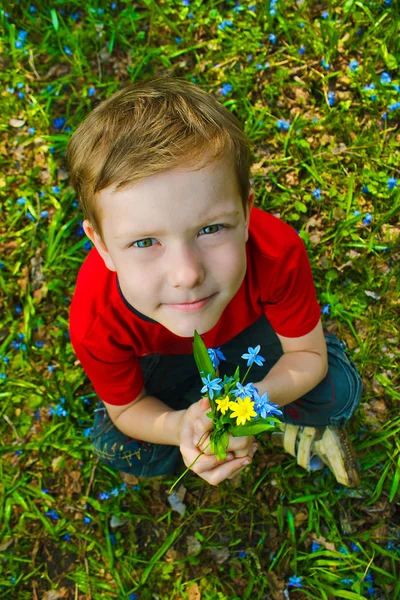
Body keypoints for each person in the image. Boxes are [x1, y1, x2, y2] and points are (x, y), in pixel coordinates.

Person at [67, 76, 362, 488]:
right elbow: (129, 408)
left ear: (245, 214)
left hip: (249, 342)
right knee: (119, 446)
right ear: (101, 246)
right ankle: (212, 420)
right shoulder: (96, 317)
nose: (187, 274)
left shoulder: (275, 252)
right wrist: (181, 427)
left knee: (340, 390)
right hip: (162, 365)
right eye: (145, 242)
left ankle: (277, 421)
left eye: (211, 229)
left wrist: (249, 406)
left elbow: (307, 358)